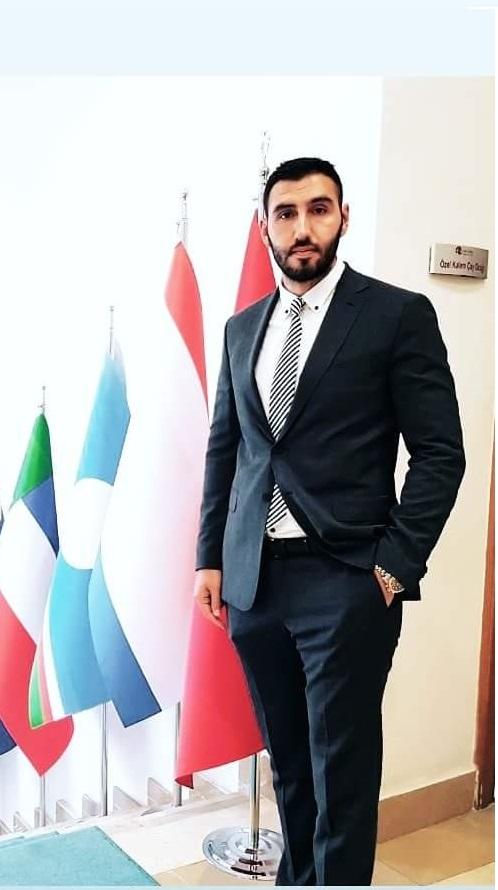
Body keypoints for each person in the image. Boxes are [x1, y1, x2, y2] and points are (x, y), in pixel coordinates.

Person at [194, 157, 465, 886]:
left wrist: (394, 566)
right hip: (255, 585)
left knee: (340, 776)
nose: (302, 227)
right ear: (266, 227)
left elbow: (441, 454)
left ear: (343, 216)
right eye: (285, 213)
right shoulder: (242, 328)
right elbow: (228, 449)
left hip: (347, 581)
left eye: (318, 209)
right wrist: (210, 558)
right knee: (289, 766)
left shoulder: (395, 315)